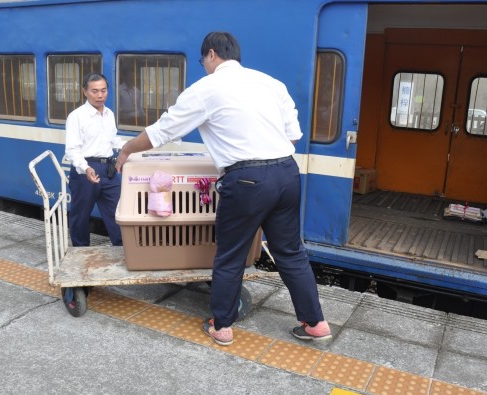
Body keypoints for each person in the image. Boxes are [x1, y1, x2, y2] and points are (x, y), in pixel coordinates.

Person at [115, 32, 331, 346]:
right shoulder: (271, 83)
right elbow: (293, 135)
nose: (204, 65)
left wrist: (126, 151)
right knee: (291, 253)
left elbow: (162, 131)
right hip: (287, 173)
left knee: (230, 254)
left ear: (212, 54)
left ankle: (223, 326)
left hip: (246, 180)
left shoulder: (207, 88)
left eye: (203, 60)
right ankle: (316, 323)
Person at [65, 72, 125, 247]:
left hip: (109, 170)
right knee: (81, 214)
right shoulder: (76, 116)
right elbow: (72, 150)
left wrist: (131, 149)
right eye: (95, 91)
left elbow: (114, 141)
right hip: (86, 169)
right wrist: (85, 169)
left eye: (104, 90)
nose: (100, 95)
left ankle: (123, 249)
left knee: (118, 211)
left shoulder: (109, 114)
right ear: (85, 92)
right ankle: (80, 251)